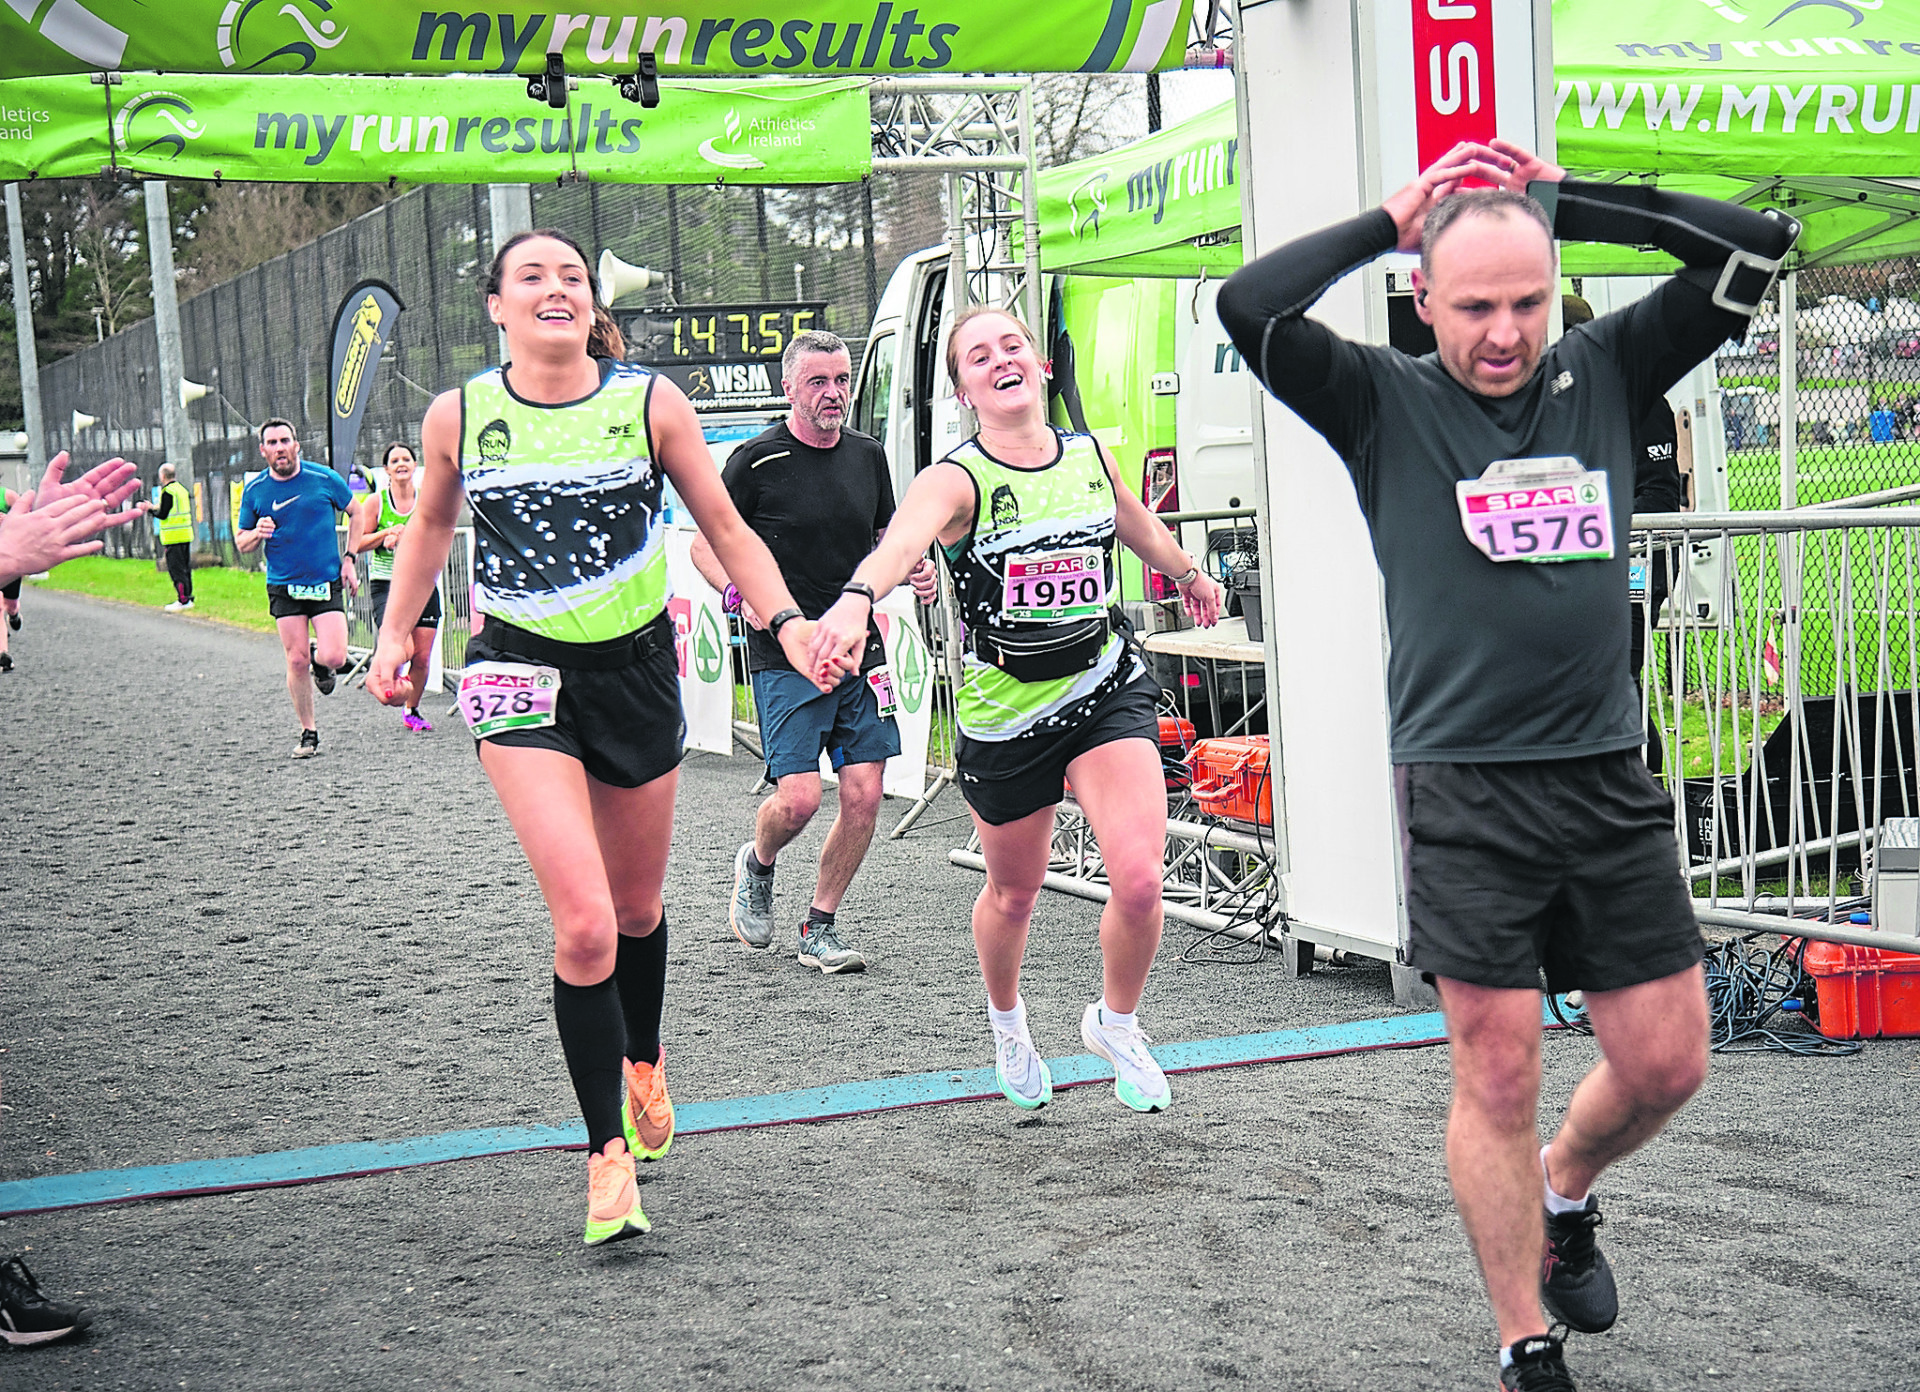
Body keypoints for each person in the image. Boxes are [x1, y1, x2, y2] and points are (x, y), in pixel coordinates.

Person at [1216, 140, 1799, 1391]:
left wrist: (1564, 201)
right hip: (1465, 782)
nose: (1503, 332)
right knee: (1496, 1068)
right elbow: (1247, 306)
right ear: (1422, 298)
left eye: (1527, 300)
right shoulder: (1379, 398)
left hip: (1602, 776)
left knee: (1668, 1061)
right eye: (1474, 304)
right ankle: (1523, 1340)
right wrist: (1392, 217)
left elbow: (1759, 245)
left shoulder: (1609, 366)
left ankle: (1565, 1188)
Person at [365, 228, 839, 1246]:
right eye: (530, 276)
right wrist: (397, 632)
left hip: (632, 672)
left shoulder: (649, 401)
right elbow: (433, 531)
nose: (554, 289)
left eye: (571, 277)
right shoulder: (460, 415)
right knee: (581, 922)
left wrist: (789, 622)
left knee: (633, 908)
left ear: (591, 303)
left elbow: (725, 526)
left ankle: (643, 1060)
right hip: (516, 675)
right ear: (495, 304)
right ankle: (605, 1160)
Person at [808, 305, 1225, 1115]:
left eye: (1011, 346)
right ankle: (1008, 1024)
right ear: (965, 388)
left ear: (1036, 364)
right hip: (1005, 715)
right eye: (977, 356)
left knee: (1139, 880)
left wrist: (1192, 575)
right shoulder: (955, 479)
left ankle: (1116, 1023)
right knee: (1016, 893)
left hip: (1105, 688)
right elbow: (900, 545)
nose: (999, 361)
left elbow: (1139, 529)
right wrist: (859, 597)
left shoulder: (1090, 456)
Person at [689, 330, 938, 974]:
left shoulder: (868, 456)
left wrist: (917, 568)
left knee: (864, 791)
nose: (834, 395)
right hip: (785, 648)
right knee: (798, 798)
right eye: (818, 383)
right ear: (788, 388)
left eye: (842, 381)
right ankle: (760, 860)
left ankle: (819, 925)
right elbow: (704, 546)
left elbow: (891, 538)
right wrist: (734, 593)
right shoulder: (755, 460)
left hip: (859, 644)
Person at [235, 420, 360, 759]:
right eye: (272, 443)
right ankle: (309, 731)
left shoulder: (323, 479)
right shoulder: (255, 490)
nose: (279, 448)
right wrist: (256, 533)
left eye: (285, 440)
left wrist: (349, 558)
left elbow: (356, 512)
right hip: (283, 584)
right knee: (296, 658)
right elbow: (241, 542)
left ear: (297, 445)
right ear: (263, 450)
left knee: (334, 655)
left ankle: (324, 665)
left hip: (324, 580)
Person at [0, 454, 149, 677]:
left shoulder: (6, 495)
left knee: (9, 605)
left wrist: (46, 519)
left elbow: (25, 517)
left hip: (14, 559)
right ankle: (3, 653)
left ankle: (13, 618)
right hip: (10, 559)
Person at [348, 441, 440, 733]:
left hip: (423, 583)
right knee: (406, 646)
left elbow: (439, 539)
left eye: (407, 459)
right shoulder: (377, 502)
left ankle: (412, 710)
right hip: (387, 584)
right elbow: (358, 542)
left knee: (423, 657)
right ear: (386, 469)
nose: (401, 464)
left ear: (415, 466)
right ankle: (386, 671)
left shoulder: (426, 501)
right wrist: (386, 534)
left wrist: (411, 541)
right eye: (395, 460)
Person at [154, 463, 195, 611]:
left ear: (163, 476)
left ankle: (183, 600)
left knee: (176, 570)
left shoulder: (167, 492)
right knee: (185, 568)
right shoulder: (181, 490)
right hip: (185, 534)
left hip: (173, 536)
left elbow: (163, 514)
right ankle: (188, 597)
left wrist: (150, 510)